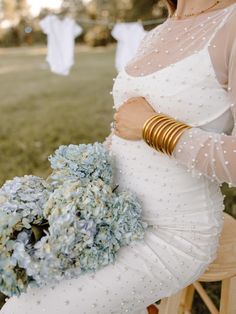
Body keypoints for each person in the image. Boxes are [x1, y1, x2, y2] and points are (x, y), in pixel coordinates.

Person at [1, 0, 236, 313]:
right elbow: (125, 128)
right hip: (109, 219)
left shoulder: (230, 23)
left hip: (172, 234)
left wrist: (153, 127)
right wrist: (77, 195)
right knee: (26, 292)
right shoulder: (159, 31)